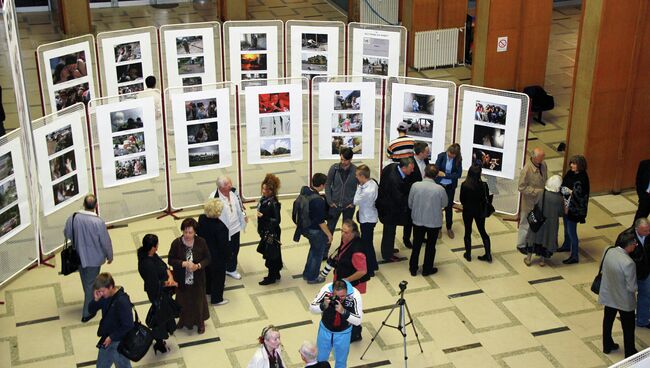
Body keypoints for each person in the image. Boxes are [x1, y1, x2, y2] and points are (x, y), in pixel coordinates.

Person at [64, 194, 113, 323]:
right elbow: (105, 241)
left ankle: (91, 298)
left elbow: (67, 233)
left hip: (78, 257)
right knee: (90, 284)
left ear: (84, 204)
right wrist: (110, 255)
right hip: (94, 259)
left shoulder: (73, 218)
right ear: (96, 206)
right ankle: (87, 312)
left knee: (86, 281)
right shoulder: (98, 222)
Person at [168, 218, 211, 334]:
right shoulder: (176, 243)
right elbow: (170, 260)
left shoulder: (201, 242)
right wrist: (183, 263)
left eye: (190, 232)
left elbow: (208, 258)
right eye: (185, 232)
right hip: (182, 278)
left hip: (198, 279)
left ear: (195, 232)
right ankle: (183, 320)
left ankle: (200, 321)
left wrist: (198, 266)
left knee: (198, 300)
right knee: (183, 300)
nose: (187, 235)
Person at [599, 231, 638, 358]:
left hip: (609, 293)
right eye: (634, 244)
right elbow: (632, 287)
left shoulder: (608, 250)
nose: (636, 245)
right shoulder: (629, 263)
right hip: (624, 300)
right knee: (628, 328)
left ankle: (607, 345)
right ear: (629, 245)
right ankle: (630, 351)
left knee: (608, 320)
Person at [137, 234, 178, 354]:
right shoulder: (147, 265)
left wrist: (170, 276)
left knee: (163, 313)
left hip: (163, 291)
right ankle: (159, 341)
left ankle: (165, 332)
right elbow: (155, 285)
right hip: (157, 294)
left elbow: (163, 265)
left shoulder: (151, 255)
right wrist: (171, 283)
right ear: (153, 247)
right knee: (160, 316)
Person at [310, 279, 363, 368]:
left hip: (343, 334)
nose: (339, 299)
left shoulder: (355, 295)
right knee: (320, 360)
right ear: (332, 291)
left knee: (341, 362)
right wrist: (323, 306)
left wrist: (343, 312)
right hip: (325, 330)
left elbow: (358, 321)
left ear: (347, 292)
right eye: (336, 296)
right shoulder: (326, 289)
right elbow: (312, 308)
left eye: (342, 296)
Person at [408, 164, 447, 276]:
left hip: (418, 221)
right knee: (431, 246)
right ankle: (427, 269)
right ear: (436, 176)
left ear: (424, 173)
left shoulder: (415, 186)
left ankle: (413, 268)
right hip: (433, 223)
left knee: (416, 245)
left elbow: (410, 203)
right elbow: (445, 203)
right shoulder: (440, 189)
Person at [88, 273, 134, 368]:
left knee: (123, 365)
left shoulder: (122, 301)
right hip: (107, 338)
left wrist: (112, 337)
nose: (101, 293)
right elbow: (90, 310)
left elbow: (129, 325)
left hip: (119, 341)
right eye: (99, 291)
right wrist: (96, 300)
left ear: (111, 287)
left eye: (102, 291)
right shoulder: (104, 296)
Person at [376, 158, 415, 262]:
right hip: (389, 210)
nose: (412, 171)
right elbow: (399, 198)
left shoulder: (392, 166)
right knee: (389, 232)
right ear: (403, 168)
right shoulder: (394, 180)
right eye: (411, 169)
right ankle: (387, 255)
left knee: (390, 231)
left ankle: (388, 249)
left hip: (388, 206)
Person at [209, 176, 248, 280]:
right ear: (220, 187)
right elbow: (211, 214)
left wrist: (244, 214)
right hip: (223, 230)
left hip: (236, 227)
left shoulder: (234, 192)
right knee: (224, 250)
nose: (230, 185)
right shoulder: (214, 197)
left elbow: (240, 205)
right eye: (227, 185)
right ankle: (224, 267)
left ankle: (231, 268)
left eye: (230, 183)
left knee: (235, 248)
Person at [524, 175, 566, 267]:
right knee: (546, 241)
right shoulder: (558, 198)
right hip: (551, 224)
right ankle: (542, 261)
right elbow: (561, 213)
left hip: (539, 221)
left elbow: (536, 204)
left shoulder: (542, 193)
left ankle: (528, 259)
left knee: (533, 238)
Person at [301, 173, 334, 284]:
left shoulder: (305, 191)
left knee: (313, 250)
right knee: (317, 253)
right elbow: (321, 222)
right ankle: (312, 277)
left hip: (305, 227)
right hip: (314, 230)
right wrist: (329, 234)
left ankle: (308, 273)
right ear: (321, 185)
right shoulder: (318, 200)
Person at [557, 155, 590, 264]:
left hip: (574, 209)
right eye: (571, 163)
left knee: (572, 232)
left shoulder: (583, 178)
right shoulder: (570, 173)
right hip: (566, 206)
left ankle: (574, 255)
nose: (571, 165)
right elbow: (563, 184)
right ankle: (566, 245)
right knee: (566, 227)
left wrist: (570, 192)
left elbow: (580, 194)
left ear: (580, 165)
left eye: (574, 163)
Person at [197, 198, 230, 305]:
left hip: (204, 254)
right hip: (217, 257)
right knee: (218, 277)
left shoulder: (201, 219)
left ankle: (208, 291)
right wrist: (228, 257)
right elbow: (223, 246)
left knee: (208, 274)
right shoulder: (220, 227)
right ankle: (217, 299)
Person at [516, 148, 548, 254]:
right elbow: (521, 187)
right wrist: (536, 191)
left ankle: (533, 242)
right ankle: (521, 244)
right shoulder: (526, 170)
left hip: (540, 201)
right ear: (534, 158)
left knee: (537, 222)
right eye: (541, 157)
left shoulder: (543, 165)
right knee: (525, 222)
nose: (543, 159)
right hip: (529, 201)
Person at [459, 164, 492, 262]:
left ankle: (468, 255)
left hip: (468, 211)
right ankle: (488, 254)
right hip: (480, 211)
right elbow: (486, 199)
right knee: (483, 231)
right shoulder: (484, 185)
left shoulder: (465, 185)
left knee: (467, 232)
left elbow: (462, 199)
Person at [325, 148, 358, 237]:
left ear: (350, 159)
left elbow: (361, 188)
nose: (342, 162)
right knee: (329, 229)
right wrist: (330, 201)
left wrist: (353, 202)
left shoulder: (356, 171)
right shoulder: (334, 168)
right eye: (341, 159)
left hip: (349, 207)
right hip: (334, 205)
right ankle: (325, 249)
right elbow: (327, 184)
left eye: (345, 160)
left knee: (347, 231)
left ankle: (344, 249)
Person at [353, 164, 379, 277]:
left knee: (366, 244)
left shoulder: (367, 190)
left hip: (367, 219)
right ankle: (373, 265)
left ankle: (369, 269)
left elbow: (355, 201)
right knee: (368, 243)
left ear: (363, 176)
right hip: (370, 216)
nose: (356, 178)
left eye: (357, 176)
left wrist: (359, 187)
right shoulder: (372, 182)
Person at [404, 142, 431, 249]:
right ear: (420, 153)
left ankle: (420, 236)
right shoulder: (409, 162)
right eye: (427, 152)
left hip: (425, 194)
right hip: (414, 195)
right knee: (409, 219)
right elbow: (406, 181)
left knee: (422, 216)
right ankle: (406, 238)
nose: (428, 154)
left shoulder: (425, 160)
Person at [257, 174, 283, 285]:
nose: (263, 191)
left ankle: (271, 276)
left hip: (271, 232)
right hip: (266, 230)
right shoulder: (264, 199)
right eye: (263, 188)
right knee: (274, 252)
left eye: (266, 189)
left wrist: (264, 217)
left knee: (270, 254)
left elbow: (277, 220)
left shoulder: (273, 203)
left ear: (271, 191)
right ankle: (276, 272)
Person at [434, 143, 463, 239]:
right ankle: (438, 228)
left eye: (453, 155)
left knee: (448, 207)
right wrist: (443, 174)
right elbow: (436, 170)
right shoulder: (441, 156)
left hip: (450, 186)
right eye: (450, 153)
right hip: (439, 185)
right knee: (438, 206)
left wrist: (445, 175)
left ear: (456, 155)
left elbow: (458, 174)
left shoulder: (458, 160)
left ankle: (449, 227)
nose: (450, 155)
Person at [627, 218, 650, 327]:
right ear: (636, 229)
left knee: (645, 295)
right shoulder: (627, 237)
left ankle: (643, 320)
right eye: (645, 231)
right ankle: (627, 319)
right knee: (627, 297)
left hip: (645, 272)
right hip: (630, 272)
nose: (648, 233)